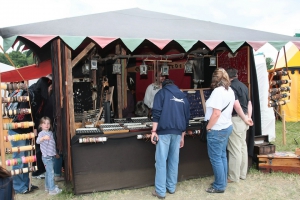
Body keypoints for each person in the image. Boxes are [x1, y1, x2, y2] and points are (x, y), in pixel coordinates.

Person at [204, 68, 251, 193]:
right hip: (227, 126)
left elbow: (216, 113)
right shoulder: (229, 90)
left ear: (215, 79)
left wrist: (208, 127)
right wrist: (246, 118)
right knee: (222, 156)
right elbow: (237, 105)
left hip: (217, 128)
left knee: (216, 158)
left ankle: (219, 185)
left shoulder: (217, 92)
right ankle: (222, 181)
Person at [150, 79, 190, 199]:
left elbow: (156, 113)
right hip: (178, 133)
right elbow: (186, 117)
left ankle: (160, 191)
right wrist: (182, 135)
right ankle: (171, 187)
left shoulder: (161, 94)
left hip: (164, 132)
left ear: (163, 86)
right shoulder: (183, 96)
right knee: (174, 161)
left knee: (161, 162)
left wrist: (153, 131)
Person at [7, 89, 39, 194]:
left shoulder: (33, 97)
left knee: (25, 161)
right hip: (17, 132)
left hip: (24, 132)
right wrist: (31, 128)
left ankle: (26, 184)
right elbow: (21, 117)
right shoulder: (28, 97)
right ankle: (18, 187)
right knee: (19, 161)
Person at [226, 68, 253, 183]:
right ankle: (242, 174)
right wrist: (248, 117)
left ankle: (233, 176)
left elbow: (237, 106)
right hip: (245, 118)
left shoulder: (231, 88)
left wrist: (244, 117)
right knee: (242, 146)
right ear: (237, 75)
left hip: (237, 119)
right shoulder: (244, 86)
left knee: (234, 149)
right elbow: (249, 103)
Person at [36, 116, 63, 195]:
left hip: (51, 156)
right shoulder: (41, 133)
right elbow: (37, 141)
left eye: (48, 123)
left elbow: (52, 145)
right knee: (51, 173)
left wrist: (56, 153)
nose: (46, 125)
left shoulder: (50, 133)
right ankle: (52, 190)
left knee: (48, 173)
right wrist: (43, 138)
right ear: (41, 125)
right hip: (46, 157)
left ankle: (47, 186)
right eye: (44, 123)